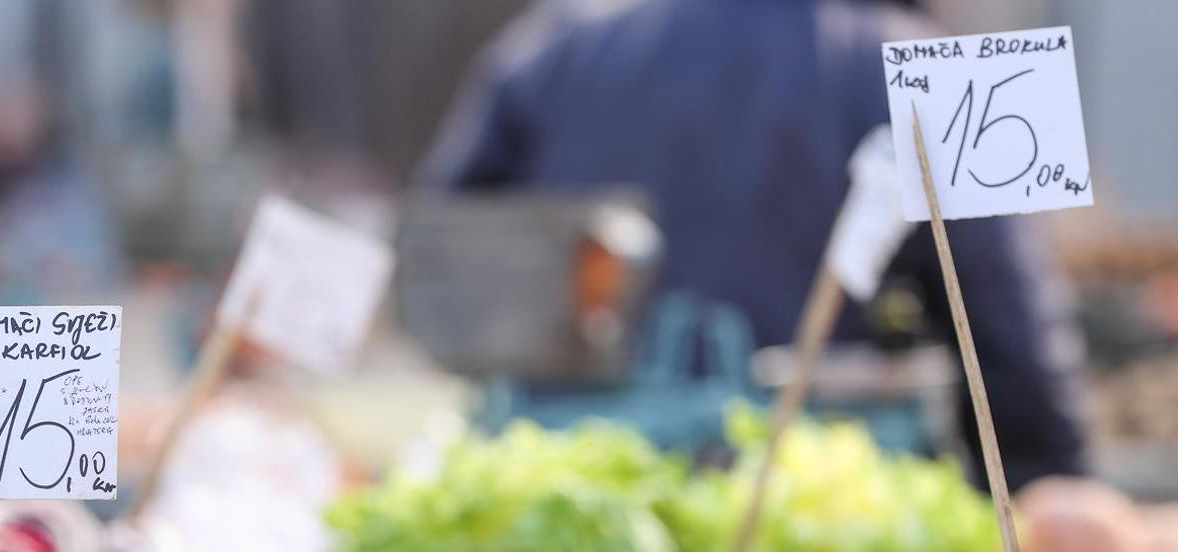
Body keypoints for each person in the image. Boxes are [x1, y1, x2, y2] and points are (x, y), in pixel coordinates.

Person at [422, 0, 1087, 491]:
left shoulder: (553, 48)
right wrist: (1050, 488)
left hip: (571, 492)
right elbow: (1011, 337)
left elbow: (437, 265)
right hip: (825, 519)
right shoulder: (916, 60)